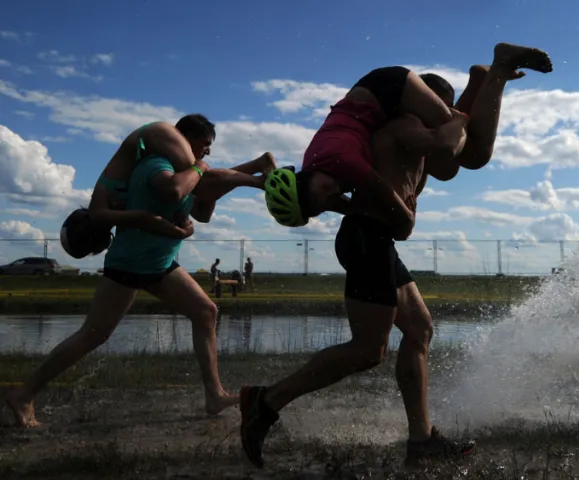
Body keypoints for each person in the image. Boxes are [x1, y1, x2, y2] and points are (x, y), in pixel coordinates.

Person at [239, 67, 512, 468]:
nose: (443, 111)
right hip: (367, 238)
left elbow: (441, 166)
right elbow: (436, 161)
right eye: (439, 105)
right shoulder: (397, 129)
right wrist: (461, 118)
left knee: (419, 330)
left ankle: (421, 440)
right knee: (368, 350)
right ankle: (266, 401)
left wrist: (474, 91)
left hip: (373, 239)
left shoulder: (374, 146)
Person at [4, 123, 275, 428]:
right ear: (182, 140)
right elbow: (178, 189)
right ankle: (24, 395)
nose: (207, 150)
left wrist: (212, 190)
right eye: (204, 143)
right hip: (131, 264)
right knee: (93, 334)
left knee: (205, 312)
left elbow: (202, 210)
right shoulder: (156, 165)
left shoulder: (190, 173)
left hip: (160, 263)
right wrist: (252, 178)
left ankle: (214, 395)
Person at [275, 43, 552, 239]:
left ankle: (499, 67)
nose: (333, 192)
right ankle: (479, 81)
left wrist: (459, 120)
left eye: (323, 190)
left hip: (387, 88)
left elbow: (393, 206)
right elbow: (346, 203)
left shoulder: (340, 162)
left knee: (475, 154)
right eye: (325, 201)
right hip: (379, 103)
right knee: (449, 167)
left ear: (306, 175)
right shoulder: (319, 185)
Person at [60, 114, 277, 259]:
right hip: (154, 136)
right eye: (206, 144)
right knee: (200, 190)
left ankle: (261, 182)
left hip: (154, 135)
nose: (208, 150)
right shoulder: (102, 209)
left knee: (200, 179)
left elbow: (144, 218)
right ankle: (259, 165)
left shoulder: (100, 214)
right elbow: (203, 213)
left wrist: (177, 231)